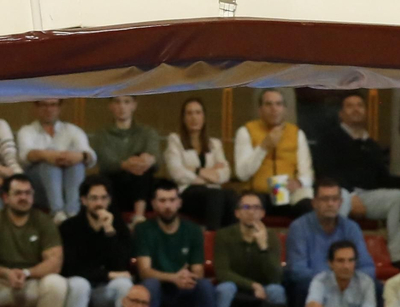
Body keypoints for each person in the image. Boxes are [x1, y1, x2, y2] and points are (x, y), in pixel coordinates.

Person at [284, 181, 375, 307]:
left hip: (346, 282)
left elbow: (367, 266)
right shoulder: (299, 227)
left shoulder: (351, 228)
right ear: (314, 203)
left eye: (334, 199)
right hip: (313, 283)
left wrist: (347, 279)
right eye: (325, 199)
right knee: (302, 285)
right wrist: (331, 280)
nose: (330, 204)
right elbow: (297, 269)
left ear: (341, 202)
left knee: (375, 285)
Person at [133, 182, 218, 307]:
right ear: (153, 204)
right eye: (162, 200)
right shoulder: (143, 229)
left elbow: (198, 271)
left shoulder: (193, 230)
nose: (168, 206)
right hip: (158, 290)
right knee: (150, 284)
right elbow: (144, 272)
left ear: (179, 203)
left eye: (172, 200)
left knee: (204, 285)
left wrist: (187, 277)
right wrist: (173, 277)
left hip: (184, 290)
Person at [314, 92, 400, 228]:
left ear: (365, 112)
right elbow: (327, 172)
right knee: (340, 197)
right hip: (341, 192)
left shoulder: (372, 145)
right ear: (341, 114)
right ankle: (331, 240)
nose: (356, 109)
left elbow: (383, 178)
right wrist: (351, 195)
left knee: (399, 197)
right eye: (350, 106)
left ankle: (396, 243)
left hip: (368, 197)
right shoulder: (329, 139)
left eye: (360, 106)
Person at [58, 176, 135, 307]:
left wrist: (109, 231)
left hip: (103, 290)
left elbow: (122, 266)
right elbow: (71, 268)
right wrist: (108, 275)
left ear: (109, 200)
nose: (99, 203)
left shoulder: (119, 227)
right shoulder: (69, 227)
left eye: (103, 198)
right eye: (94, 198)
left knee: (124, 285)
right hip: (77, 287)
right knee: (80, 285)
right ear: (84, 200)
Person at [0, 173, 71, 307]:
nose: (24, 197)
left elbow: (55, 262)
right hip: (2, 282)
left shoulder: (44, 221)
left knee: (56, 283)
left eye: (28, 193)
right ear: (5, 198)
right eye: (18, 193)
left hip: (31, 282)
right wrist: (7, 273)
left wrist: (26, 273)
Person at [233, 89, 313, 210]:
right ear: (260, 110)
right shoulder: (246, 131)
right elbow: (242, 174)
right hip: (257, 194)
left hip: (288, 193)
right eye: (268, 104)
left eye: (278, 104)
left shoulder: (297, 133)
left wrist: (299, 182)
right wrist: (263, 147)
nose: (274, 109)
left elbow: (306, 172)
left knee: (308, 205)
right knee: (249, 205)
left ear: (284, 109)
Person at [212, 190, 286, 307]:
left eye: (256, 208)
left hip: (264, 287)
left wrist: (263, 247)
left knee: (276, 290)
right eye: (246, 207)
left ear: (262, 213)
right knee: (224, 288)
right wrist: (252, 285)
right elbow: (222, 272)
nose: (251, 212)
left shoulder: (271, 236)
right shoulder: (224, 235)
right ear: (237, 213)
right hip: (236, 285)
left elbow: (275, 277)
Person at [163, 97, 233, 230]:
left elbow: (226, 173)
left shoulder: (214, 144)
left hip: (212, 192)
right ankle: (211, 237)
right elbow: (177, 173)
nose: (194, 117)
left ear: (204, 117)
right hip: (187, 193)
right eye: (189, 113)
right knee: (216, 195)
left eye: (198, 113)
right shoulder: (175, 140)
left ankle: (230, 240)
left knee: (231, 196)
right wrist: (210, 175)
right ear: (183, 118)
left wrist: (196, 170)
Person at [18, 97, 95, 218]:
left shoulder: (72, 130)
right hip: (38, 189)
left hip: (67, 185)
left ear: (60, 107)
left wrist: (79, 156)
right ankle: (57, 212)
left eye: (53, 105)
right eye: (44, 105)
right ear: (36, 107)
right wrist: (47, 155)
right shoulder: (27, 131)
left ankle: (72, 212)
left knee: (77, 165)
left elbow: (91, 156)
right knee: (48, 164)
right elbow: (24, 156)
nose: (49, 109)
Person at [91, 95, 163, 221]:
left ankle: (139, 216)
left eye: (126, 102)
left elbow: (157, 161)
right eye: (117, 102)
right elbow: (105, 163)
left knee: (144, 171)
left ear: (134, 105)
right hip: (114, 185)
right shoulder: (102, 134)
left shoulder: (147, 132)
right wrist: (127, 164)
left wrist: (148, 160)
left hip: (142, 185)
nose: (122, 107)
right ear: (110, 106)